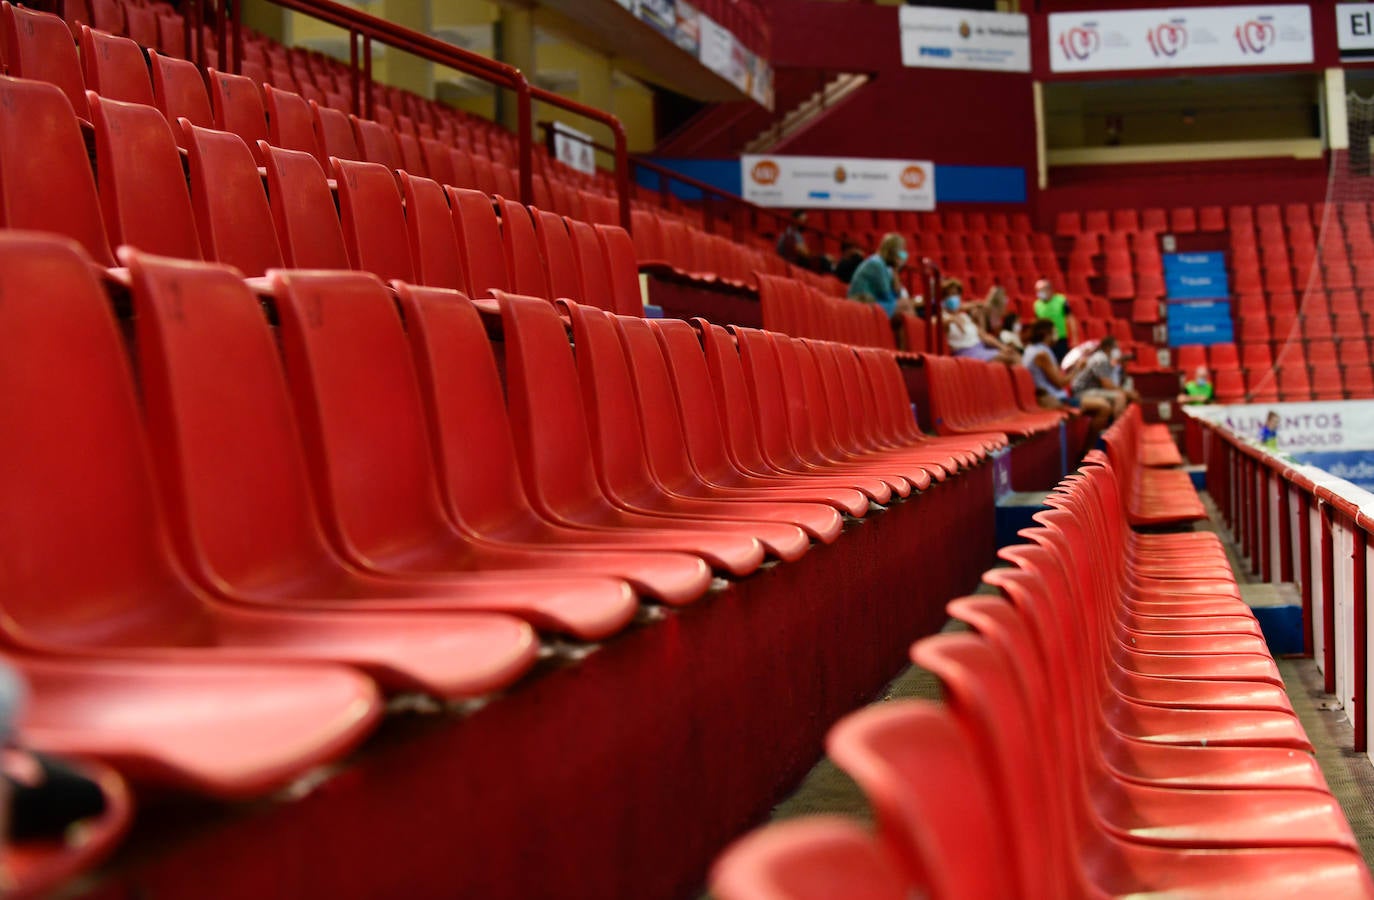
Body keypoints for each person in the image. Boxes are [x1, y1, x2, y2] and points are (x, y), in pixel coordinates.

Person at [1022, 318, 1113, 437]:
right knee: (1104, 407)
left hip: (1050, 396)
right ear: (1046, 334)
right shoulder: (1041, 354)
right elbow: (1060, 383)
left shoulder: (1032, 349)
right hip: (1053, 399)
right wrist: (1078, 368)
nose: (1056, 335)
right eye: (1054, 331)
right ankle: (1088, 449)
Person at [942, 278, 1018, 364]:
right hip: (965, 353)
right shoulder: (943, 316)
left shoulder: (964, 316)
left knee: (1013, 355)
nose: (954, 297)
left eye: (956, 294)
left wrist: (1003, 347)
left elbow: (984, 336)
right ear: (944, 298)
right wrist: (951, 319)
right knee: (1007, 359)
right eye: (950, 294)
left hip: (980, 349)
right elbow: (938, 322)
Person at [848, 233, 915, 317]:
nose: (904, 255)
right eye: (901, 251)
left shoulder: (887, 267)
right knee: (906, 305)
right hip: (862, 303)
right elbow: (887, 296)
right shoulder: (877, 264)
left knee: (905, 308)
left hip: (874, 302)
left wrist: (895, 272)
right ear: (893, 251)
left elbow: (895, 294)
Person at [1070, 335, 1129, 418]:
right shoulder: (1100, 360)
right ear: (1108, 348)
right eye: (1116, 347)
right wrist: (1127, 392)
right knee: (1120, 397)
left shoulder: (1108, 360)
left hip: (1093, 390)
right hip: (1082, 392)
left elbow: (1115, 383)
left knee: (1122, 394)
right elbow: (1107, 385)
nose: (1118, 351)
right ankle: (1117, 429)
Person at [1033, 278, 1079, 362]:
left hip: (1060, 339)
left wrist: (1075, 338)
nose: (1039, 293)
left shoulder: (1061, 300)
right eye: (1037, 291)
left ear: (1049, 289)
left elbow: (1070, 319)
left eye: (1041, 290)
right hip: (1045, 341)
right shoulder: (1037, 304)